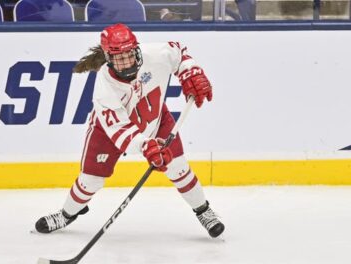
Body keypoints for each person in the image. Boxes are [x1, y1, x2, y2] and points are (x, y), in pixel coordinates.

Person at [35, 23, 225, 238]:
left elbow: (179, 52)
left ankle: (203, 211)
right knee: (90, 180)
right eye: (118, 58)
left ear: (136, 49)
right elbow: (121, 131)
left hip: (156, 120)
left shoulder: (155, 54)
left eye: (129, 55)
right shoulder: (104, 89)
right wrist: (146, 146)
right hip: (108, 132)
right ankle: (67, 214)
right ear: (108, 57)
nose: (126, 63)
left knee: (178, 167)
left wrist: (190, 72)